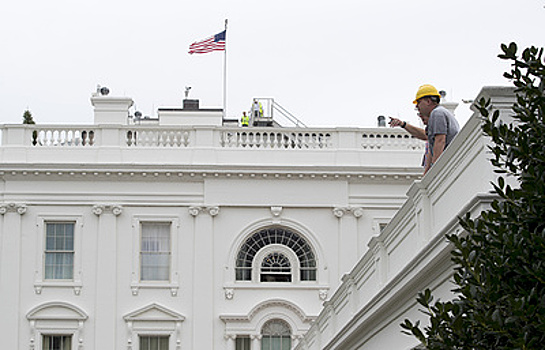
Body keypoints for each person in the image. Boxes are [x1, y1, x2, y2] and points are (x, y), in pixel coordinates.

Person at [389, 84, 460, 175]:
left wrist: (435, 170)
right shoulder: (436, 114)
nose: (417, 107)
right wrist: (403, 124)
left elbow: (440, 141)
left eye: (418, 102)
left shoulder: (437, 113)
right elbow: (427, 138)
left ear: (428, 101)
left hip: (449, 165)